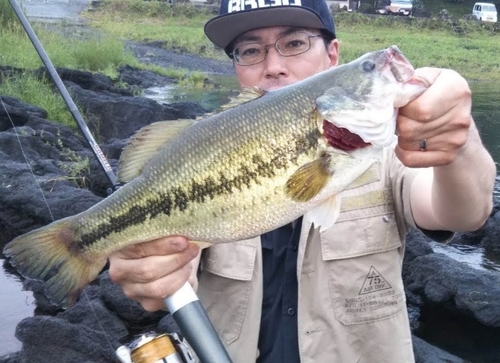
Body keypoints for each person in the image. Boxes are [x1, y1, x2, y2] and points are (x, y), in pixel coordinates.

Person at [109, 0, 497, 362]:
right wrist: (156, 272)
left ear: (332, 55)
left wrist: (458, 147)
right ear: (237, 66)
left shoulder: (385, 151)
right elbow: (178, 268)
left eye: (293, 43)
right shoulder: (204, 157)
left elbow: (466, 212)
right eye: (250, 50)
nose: (273, 65)